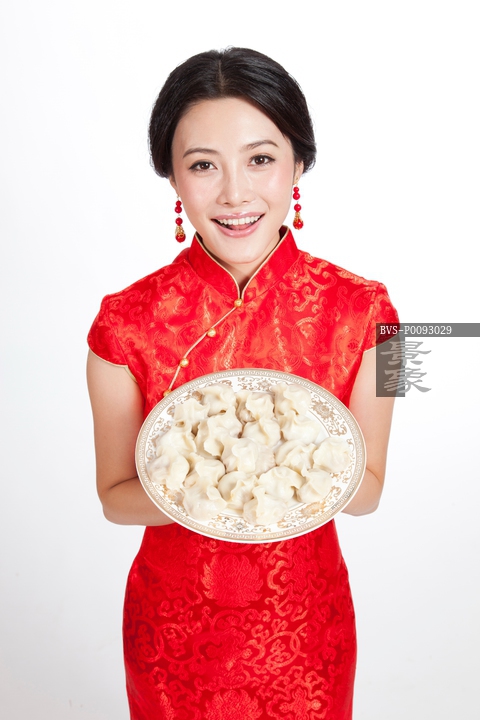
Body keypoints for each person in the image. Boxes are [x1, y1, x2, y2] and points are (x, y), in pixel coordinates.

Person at [87, 47, 398, 720]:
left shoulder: (376, 313)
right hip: (173, 637)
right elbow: (114, 498)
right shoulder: (121, 323)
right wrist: (206, 488)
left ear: (299, 163)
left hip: (307, 634)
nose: (234, 194)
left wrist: (291, 459)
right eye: (203, 165)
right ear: (172, 175)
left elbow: (371, 490)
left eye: (260, 158)